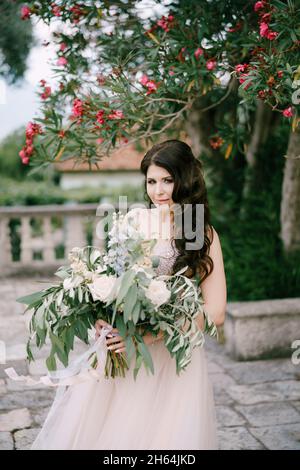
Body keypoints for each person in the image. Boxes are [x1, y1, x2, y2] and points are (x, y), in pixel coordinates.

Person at [31, 139, 227, 450]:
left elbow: (215, 312)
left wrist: (145, 337)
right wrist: (100, 317)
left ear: (186, 180)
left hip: (168, 357)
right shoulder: (134, 220)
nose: (158, 191)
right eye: (151, 181)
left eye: (168, 180)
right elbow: (109, 280)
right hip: (120, 350)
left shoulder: (202, 234)